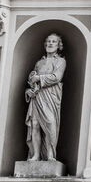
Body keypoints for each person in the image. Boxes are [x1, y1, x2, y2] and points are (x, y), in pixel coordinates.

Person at [26, 33, 66, 163]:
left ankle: (50, 155)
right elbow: (31, 80)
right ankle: (36, 155)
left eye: (54, 41)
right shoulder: (39, 63)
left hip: (52, 96)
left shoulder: (60, 61)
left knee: (50, 123)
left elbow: (57, 77)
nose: (50, 43)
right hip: (38, 96)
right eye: (48, 41)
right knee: (35, 125)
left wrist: (39, 78)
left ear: (58, 45)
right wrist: (29, 90)